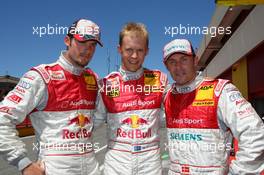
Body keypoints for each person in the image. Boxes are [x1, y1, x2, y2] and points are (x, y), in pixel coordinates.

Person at [0, 18, 103, 175]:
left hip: (92, 168)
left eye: (93, 45)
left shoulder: (94, 79)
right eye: (82, 42)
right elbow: (2, 118)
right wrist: (23, 163)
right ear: (67, 40)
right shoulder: (41, 76)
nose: (87, 50)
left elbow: (100, 117)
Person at [163, 39, 264, 175]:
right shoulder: (166, 96)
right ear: (167, 66)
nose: (178, 67)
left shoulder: (220, 91)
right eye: (172, 62)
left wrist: (238, 172)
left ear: (195, 60)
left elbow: (255, 133)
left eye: (184, 59)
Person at [95, 22, 168, 175]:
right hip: (116, 165)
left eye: (140, 50)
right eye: (129, 50)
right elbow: (91, 124)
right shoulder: (106, 84)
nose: (134, 56)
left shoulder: (159, 80)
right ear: (119, 49)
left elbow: (177, 117)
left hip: (151, 165)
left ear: (147, 51)